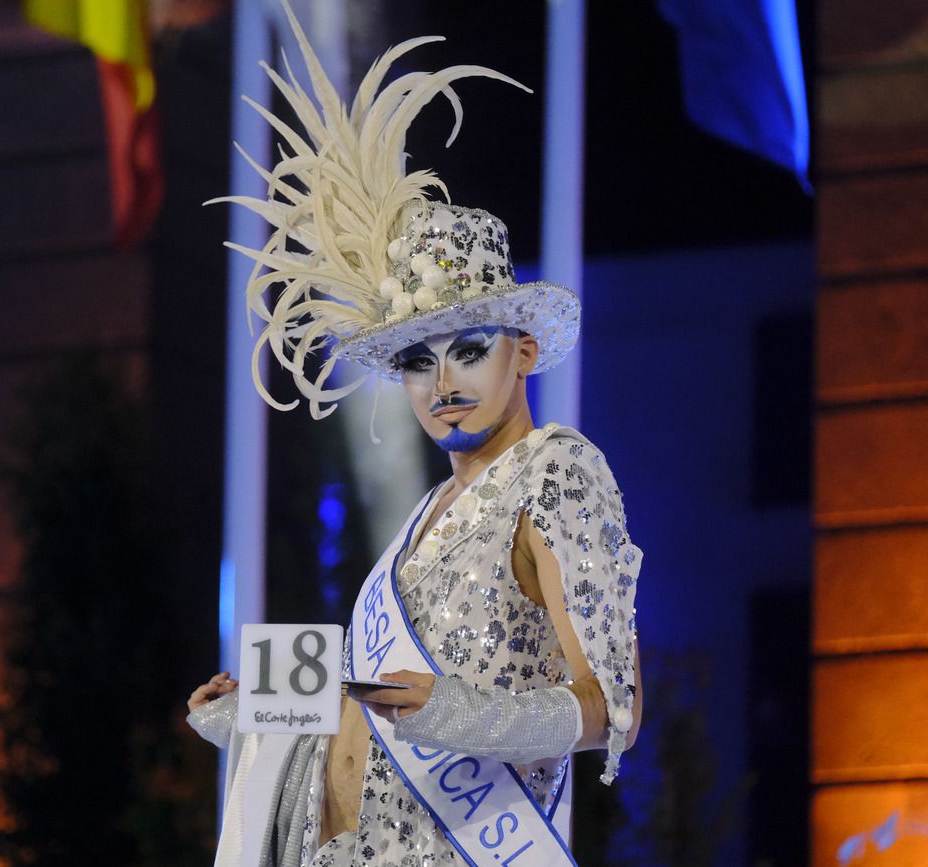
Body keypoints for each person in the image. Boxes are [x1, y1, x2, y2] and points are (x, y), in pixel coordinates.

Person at [187, 6, 642, 865]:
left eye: (470, 349)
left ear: (527, 348)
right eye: (416, 360)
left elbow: (608, 707)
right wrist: (255, 708)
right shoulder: (428, 514)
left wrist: (453, 712)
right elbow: (375, 692)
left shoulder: (558, 472)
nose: (443, 383)